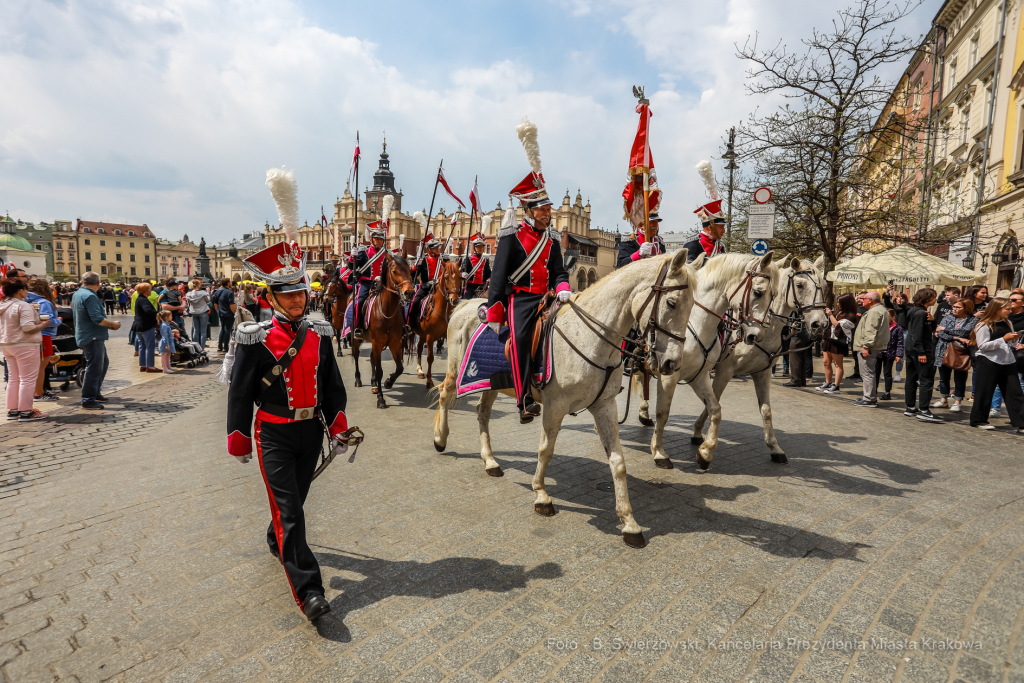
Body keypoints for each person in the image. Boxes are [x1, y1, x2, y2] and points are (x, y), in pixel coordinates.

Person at [227, 185, 353, 621]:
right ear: (270, 297)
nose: (299, 299)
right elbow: (241, 392)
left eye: (301, 293)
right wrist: (238, 434)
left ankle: (275, 534)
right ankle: (310, 591)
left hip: (309, 431)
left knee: (294, 502)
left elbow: (332, 388)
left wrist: (337, 426)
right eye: (289, 294)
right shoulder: (255, 337)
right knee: (292, 514)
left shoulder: (319, 334)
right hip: (274, 434)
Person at [485, 118, 570, 423]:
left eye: (549, 210)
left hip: (547, 299)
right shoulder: (512, 236)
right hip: (520, 300)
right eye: (544, 210)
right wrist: (495, 309)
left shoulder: (553, 241)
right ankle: (523, 401)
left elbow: (559, 272)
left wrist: (563, 288)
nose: (549, 215)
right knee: (521, 340)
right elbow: (498, 277)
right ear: (530, 211)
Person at [969, 298, 1024, 432]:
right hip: (988, 361)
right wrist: (1003, 339)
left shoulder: (1008, 322)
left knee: (1015, 392)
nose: (1010, 311)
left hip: (1007, 360)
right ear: (997, 309)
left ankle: (1021, 422)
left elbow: (1009, 344)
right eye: (1007, 309)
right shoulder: (983, 325)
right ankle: (979, 420)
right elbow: (982, 346)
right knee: (985, 391)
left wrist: (1013, 341)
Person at [0, 277, 50, 421]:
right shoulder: (23, 305)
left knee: (14, 379)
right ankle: (27, 411)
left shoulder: (3, 305)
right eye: (26, 290)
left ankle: (13, 410)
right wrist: (43, 325)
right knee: (27, 379)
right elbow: (27, 328)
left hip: (7, 344)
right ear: (21, 291)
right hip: (25, 344)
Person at [71, 272, 121, 410]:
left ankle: (95, 392)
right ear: (98, 283)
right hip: (92, 336)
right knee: (94, 367)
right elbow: (97, 318)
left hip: (90, 334)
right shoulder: (90, 296)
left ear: (83, 281)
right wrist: (113, 323)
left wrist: (107, 324)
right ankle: (88, 399)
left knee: (103, 363)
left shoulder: (78, 293)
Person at [904, 287, 942, 423]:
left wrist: (932, 320)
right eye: (933, 297)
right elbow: (917, 334)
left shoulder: (915, 311)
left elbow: (930, 328)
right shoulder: (920, 313)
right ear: (927, 298)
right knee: (926, 380)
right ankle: (924, 410)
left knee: (911, 379)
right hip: (920, 350)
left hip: (911, 350)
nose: (935, 299)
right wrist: (921, 352)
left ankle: (910, 406)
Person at [931, 299, 977, 413]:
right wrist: (955, 337)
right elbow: (939, 333)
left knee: (960, 378)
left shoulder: (973, 319)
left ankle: (957, 402)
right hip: (943, 349)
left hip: (961, 352)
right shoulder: (948, 317)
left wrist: (945, 329)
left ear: (967, 308)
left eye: (958, 307)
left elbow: (965, 332)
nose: (954, 309)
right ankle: (943, 399)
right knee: (943, 377)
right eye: (954, 307)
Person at [350, 223, 390, 338]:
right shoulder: (364, 251)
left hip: (383, 284)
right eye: (376, 239)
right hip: (367, 283)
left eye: (381, 239)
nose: (378, 241)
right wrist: (352, 257)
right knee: (360, 301)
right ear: (371, 239)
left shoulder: (386, 254)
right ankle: (357, 327)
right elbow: (351, 266)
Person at [851, 291, 890, 407]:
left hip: (869, 346)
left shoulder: (874, 312)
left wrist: (866, 347)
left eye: (864, 298)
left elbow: (870, 330)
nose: (862, 301)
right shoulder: (880, 310)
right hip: (874, 346)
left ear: (871, 300)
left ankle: (869, 398)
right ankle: (869, 396)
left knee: (867, 373)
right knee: (869, 372)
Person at [683, 163, 727, 263]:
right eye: (721, 227)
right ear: (710, 227)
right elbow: (689, 268)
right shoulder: (692, 243)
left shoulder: (720, 245)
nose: (724, 231)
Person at [990, 289, 1024, 417]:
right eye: (1010, 299)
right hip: (1002, 351)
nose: (1011, 302)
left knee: (1019, 382)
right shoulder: (1005, 317)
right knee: (999, 382)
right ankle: (995, 408)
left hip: (1019, 354)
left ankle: (1019, 413)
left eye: (1014, 300)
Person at [26, 278, 60, 401]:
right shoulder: (43, 302)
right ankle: (39, 393)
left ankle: (34, 392)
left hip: (30, 335)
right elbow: (47, 320)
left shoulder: (25, 300)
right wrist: (58, 321)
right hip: (44, 335)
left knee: (33, 367)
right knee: (41, 366)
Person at [819, 294, 857, 394]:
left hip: (838, 341)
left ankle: (836, 386)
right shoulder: (837, 312)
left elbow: (838, 325)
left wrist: (831, 315)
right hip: (828, 340)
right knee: (826, 362)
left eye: (839, 302)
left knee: (837, 364)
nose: (837, 304)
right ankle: (828, 382)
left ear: (845, 303)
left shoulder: (851, 316)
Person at [409, 238, 443, 330]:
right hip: (426, 288)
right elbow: (411, 274)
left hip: (439, 288)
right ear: (429, 249)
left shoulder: (442, 259)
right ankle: (410, 324)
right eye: (435, 248)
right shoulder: (423, 259)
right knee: (415, 302)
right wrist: (415, 266)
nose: (437, 249)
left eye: (438, 247)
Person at [876, 307, 903, 400]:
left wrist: (899, 354)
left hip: (889, 353)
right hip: (878, 353)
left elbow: (900, 342)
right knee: (876, 372)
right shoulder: (879, 326)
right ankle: (873, 391)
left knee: (887, 373)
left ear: (893, 317)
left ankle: (887, 392)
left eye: (887, 316)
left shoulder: (897, 328)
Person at [134, 282, 159, 373]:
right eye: (149, 289)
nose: (151, 290)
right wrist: (158, 314)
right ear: (145, 291)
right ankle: (150, 366)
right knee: (150, 346)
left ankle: (143, 365)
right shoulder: (144, 300)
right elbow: (148, 310)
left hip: (139, 325)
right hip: (146, 326)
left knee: (142, 346)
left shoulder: (139, 299)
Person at [461, 232, 492, 299]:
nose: (480, 248)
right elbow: (461, 272)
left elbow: (489, 273)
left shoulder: (485, 261)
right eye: (478, 247)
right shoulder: (468, 259)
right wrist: (462, 274)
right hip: (471, 286)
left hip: (483, 287)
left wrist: (489, 279)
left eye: (481, 247)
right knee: (465, 303)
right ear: (474, 248)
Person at [186, 279, 211, 349]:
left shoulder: (188, 294)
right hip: (203, 311)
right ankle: (202, 348)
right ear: (198, 284)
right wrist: (208, 292)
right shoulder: (202, 293)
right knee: (203, 331)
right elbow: (208, 300)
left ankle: (196, 348)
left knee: (196, 331)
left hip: (194, 312)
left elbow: (188, 304)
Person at [213, 278, 237, 352]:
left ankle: (220, 346)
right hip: (229, 313)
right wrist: (235, 313)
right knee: (227, 330)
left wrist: (218, 311)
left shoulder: (218, 292)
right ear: (227, 283)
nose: (231, 282)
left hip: (221, 313)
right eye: (230, 282)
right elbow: (231, 305)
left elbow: (215, 303)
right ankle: (226, 347)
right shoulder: (230, 292)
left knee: (222, 329)